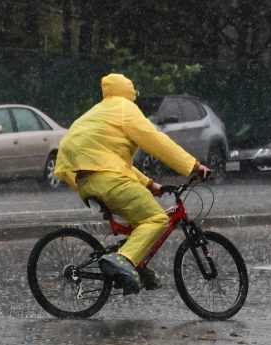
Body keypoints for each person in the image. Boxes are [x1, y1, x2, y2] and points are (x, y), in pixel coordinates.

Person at [55, 73, 210, 294]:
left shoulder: (96, 113)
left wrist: (150, 184)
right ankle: (123, 260)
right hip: (109, 180)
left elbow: (111, 161)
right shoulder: (124, 108)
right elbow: (156, 141)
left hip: (88, 182)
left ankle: (137, 267)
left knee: (139, 224)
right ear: (129, 91)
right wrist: (193, 165)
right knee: (156, 219)